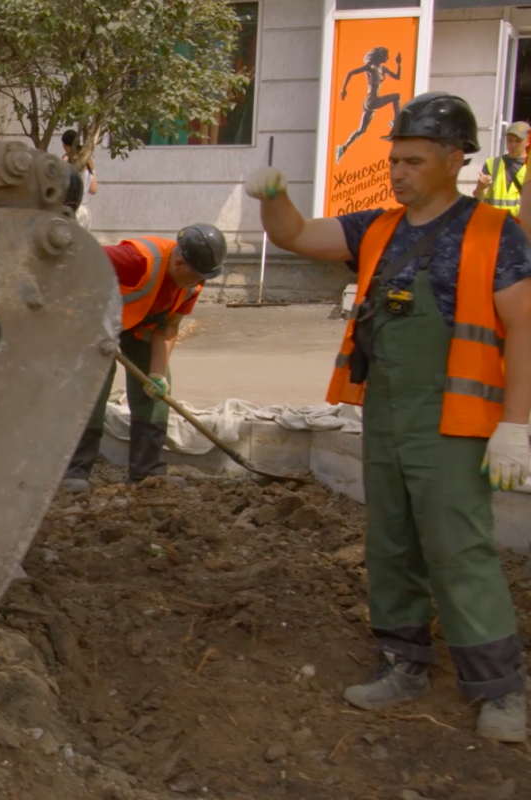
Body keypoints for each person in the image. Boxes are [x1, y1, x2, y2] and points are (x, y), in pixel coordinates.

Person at [246, 92, 529, 743]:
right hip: (388, 412)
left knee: (459, 547)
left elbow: (524, 324)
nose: (397, 172)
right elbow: (292, 233)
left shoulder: (491, 232)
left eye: (413, 160)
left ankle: (500, 688)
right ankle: (402, 661)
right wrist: (270, 197)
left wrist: (517, 425)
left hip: (455, 420)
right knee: (391, 541)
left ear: (456, 159)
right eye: (393, 159)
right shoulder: (377, 228)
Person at [62, 223, 226, 491]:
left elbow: (169, 328)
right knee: (95, 386)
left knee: (156, 394)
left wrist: (157, 375)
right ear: (179, 262)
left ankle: (147, 472)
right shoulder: (137, 260)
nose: (200, 282)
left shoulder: (192, 285)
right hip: (95, 323)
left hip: (141, 326)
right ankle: (75, 471)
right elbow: (78, 264)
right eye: (197, 275)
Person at [336, 46, 403, 163]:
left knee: (362, 130)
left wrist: (398, 63)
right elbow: (350, 73)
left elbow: (397, 77)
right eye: (386, 55)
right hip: (372, 100)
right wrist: (343, 89)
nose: (388, 57)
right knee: (396, 97)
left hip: (370, 102)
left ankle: (343, 147)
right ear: (380, 56)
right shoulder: (370, 67)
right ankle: (396, 121)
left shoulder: (382, 69)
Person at [474, 120, 529, 217]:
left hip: (520, 228)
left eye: (518, 141)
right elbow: (478, 198)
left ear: (528, 141)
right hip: (494, 225)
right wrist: (480, 188)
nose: (513, 145)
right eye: (509, 140)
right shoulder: (492, 164)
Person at [61, 129, 98, 230]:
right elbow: (93, 189)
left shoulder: (66, 160)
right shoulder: (89, 161)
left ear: (64, 145)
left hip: (72, 210)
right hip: (86, 212)